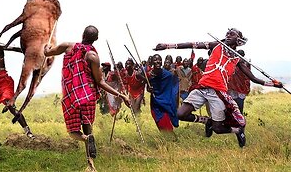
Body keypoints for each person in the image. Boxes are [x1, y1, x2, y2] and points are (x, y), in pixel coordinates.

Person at [154, 28, 284, 147]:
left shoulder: (237, 60)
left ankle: (237, 130)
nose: (228, 35)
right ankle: (206, 121)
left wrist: (272, 84)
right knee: (180, 114)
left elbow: (253, 78)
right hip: (202, 88)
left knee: (218, 128)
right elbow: (192, 44)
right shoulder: (216, 46)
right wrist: (167, 46)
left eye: (232, 34)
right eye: (227, 33)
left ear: (238, 40)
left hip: (218, 93)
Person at [44, 25, 130, 172]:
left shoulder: (67, 46)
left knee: (73, 132)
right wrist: (121, 95)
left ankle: (85, 140)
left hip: (72, 96)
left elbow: (47, 53)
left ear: (82, 34)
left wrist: (47, 46)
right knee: (88, 128)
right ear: (95, 39)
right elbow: (100, 82)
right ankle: (91, 165)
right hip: (88, 96)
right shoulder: (93, 56)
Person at [147, 54, 179, 134]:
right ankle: (168, 143)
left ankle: (172, 143)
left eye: (159, 59)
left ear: (162, 62)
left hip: (167, 104)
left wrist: (175, 102)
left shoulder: (168, 76)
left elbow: (175, 87)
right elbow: (148, 87)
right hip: (156, 105)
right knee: (163, 127)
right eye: (155, 59)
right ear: (151, 62)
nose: (157, 61)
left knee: (168, 129)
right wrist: (149, 89)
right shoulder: (149, 75)